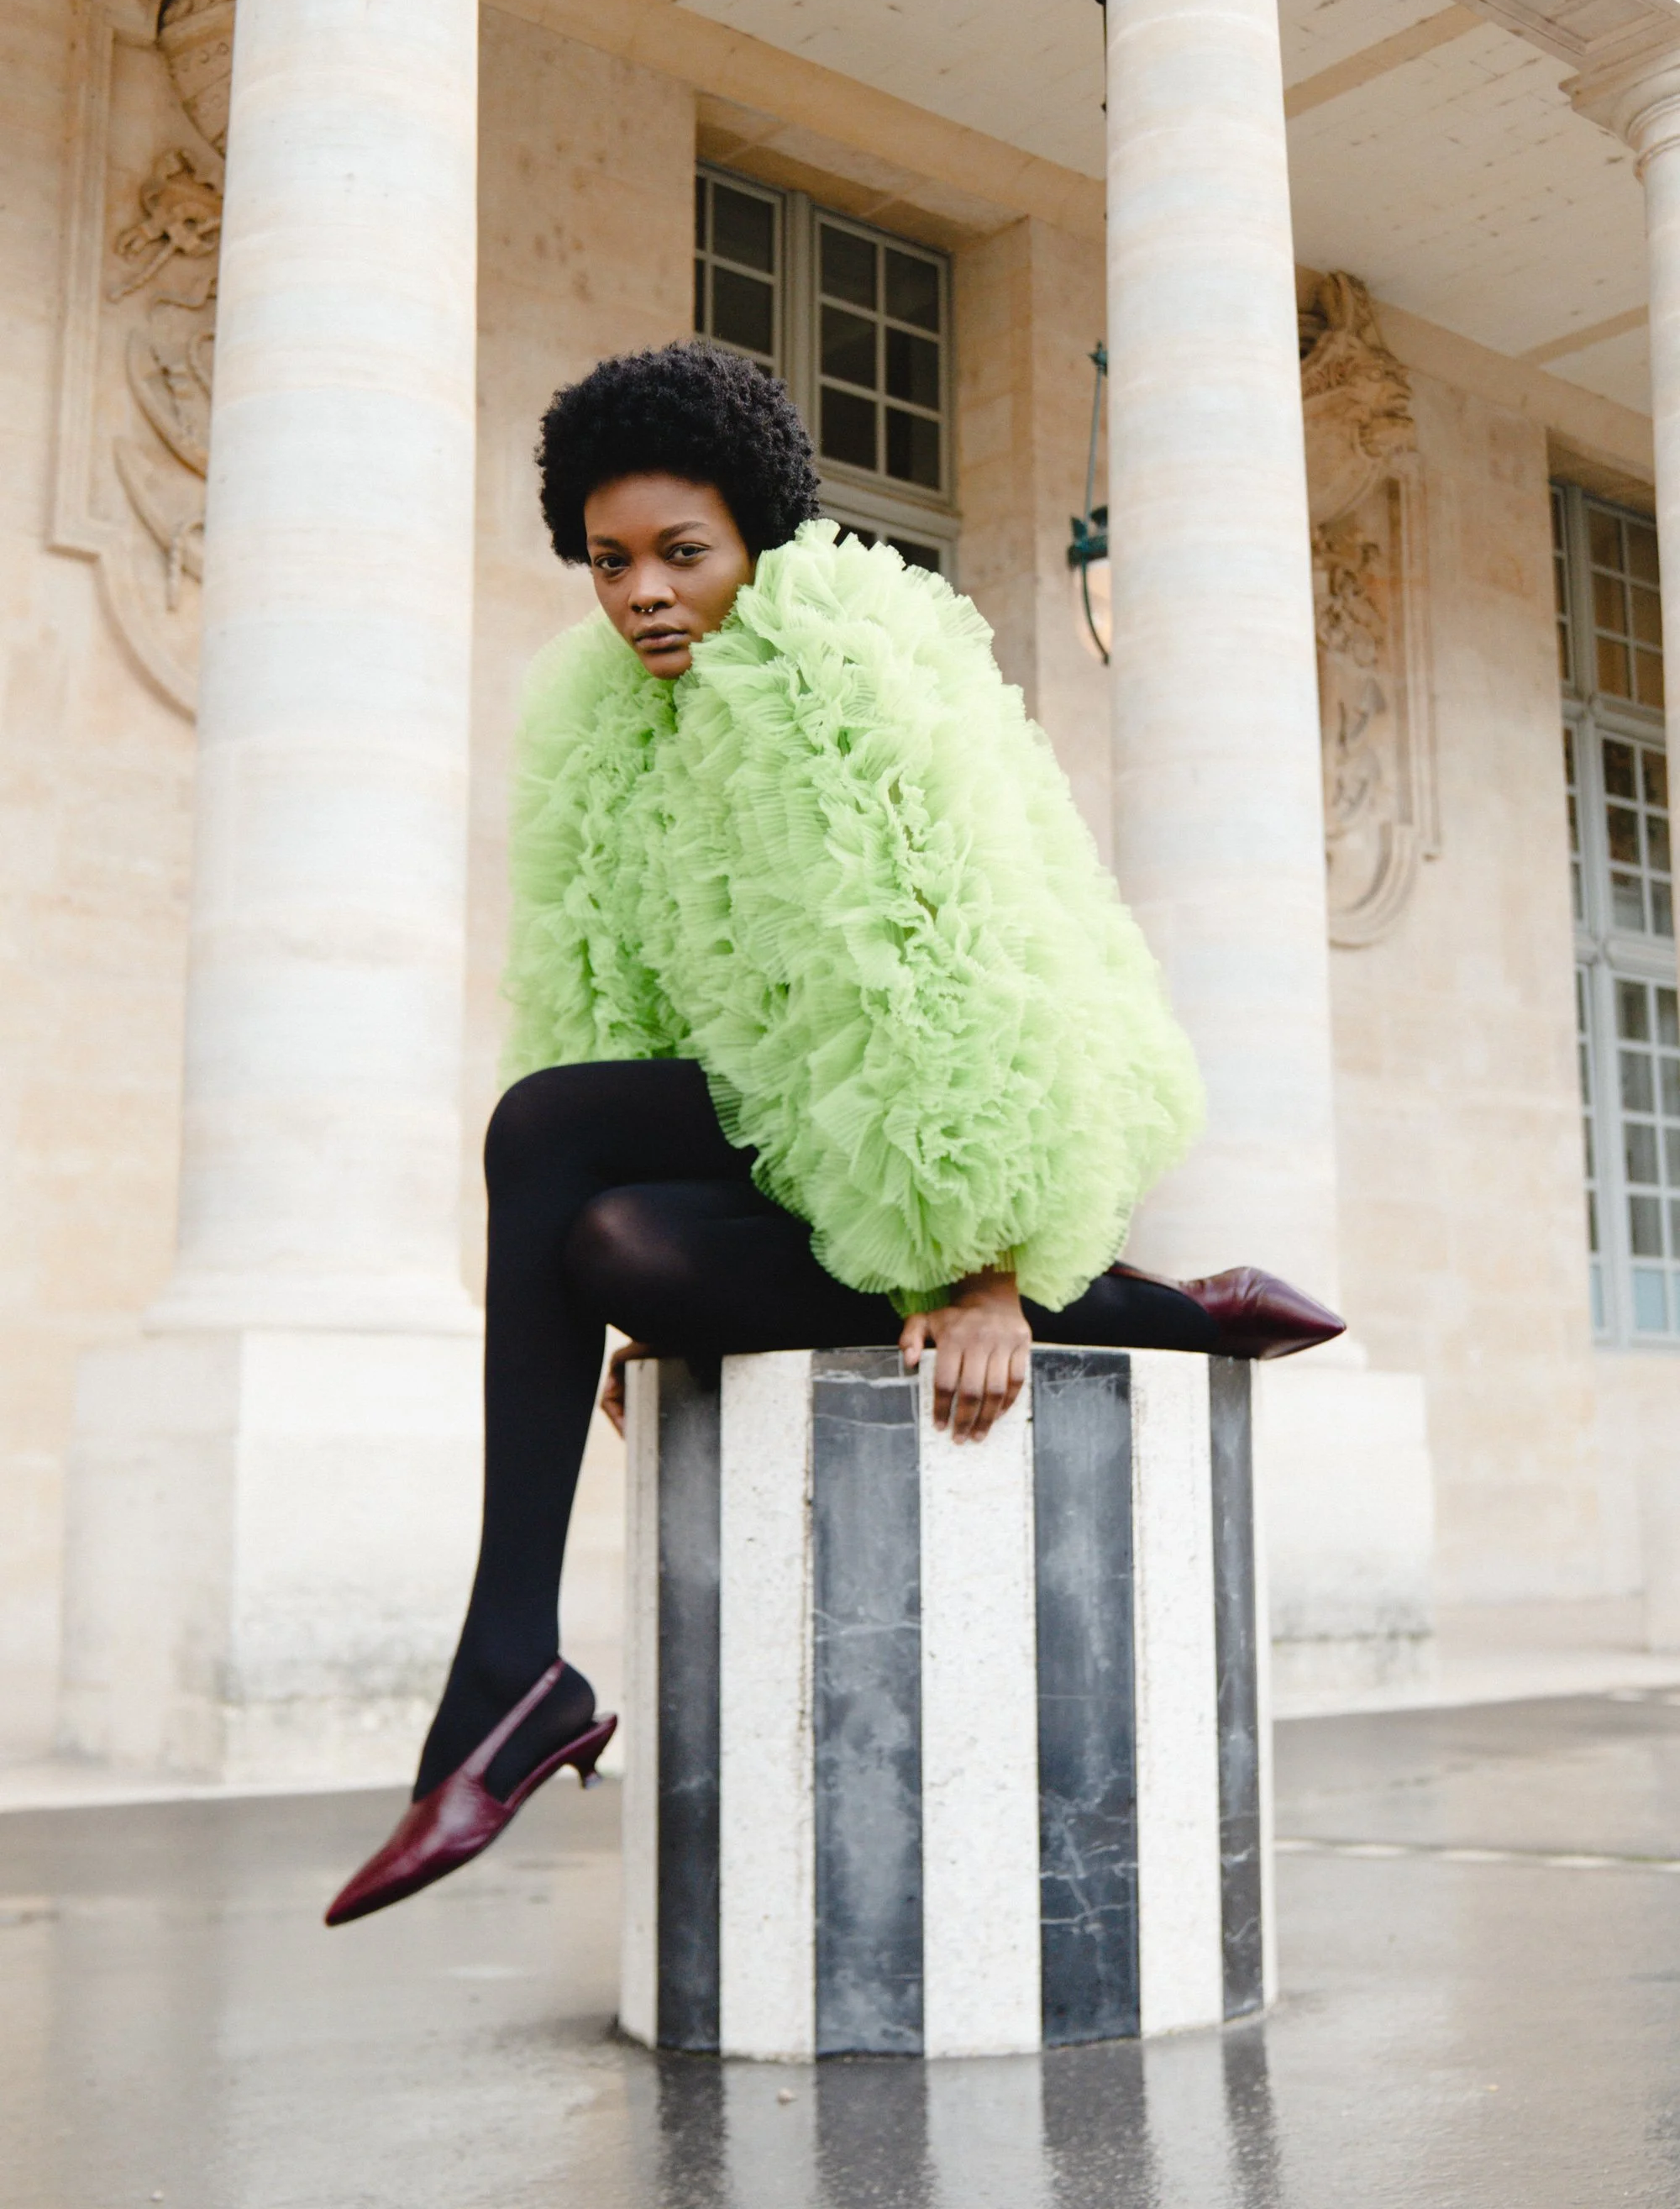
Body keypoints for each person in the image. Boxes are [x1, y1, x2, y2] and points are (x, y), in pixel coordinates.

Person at [325, 341, 1341, 1927]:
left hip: (915, 1118)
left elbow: (958, 962)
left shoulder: (840, 659)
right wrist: (614, 1302)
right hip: (782, 1138)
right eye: (610, 561)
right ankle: (1155, 1309)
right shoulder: (608, 718)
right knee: (599, 1224)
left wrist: (987, 1267)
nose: (643, 595)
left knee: (559, 1156)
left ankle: (508, 1673)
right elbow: (614, 1002)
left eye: (682, 554)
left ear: (755, 539)